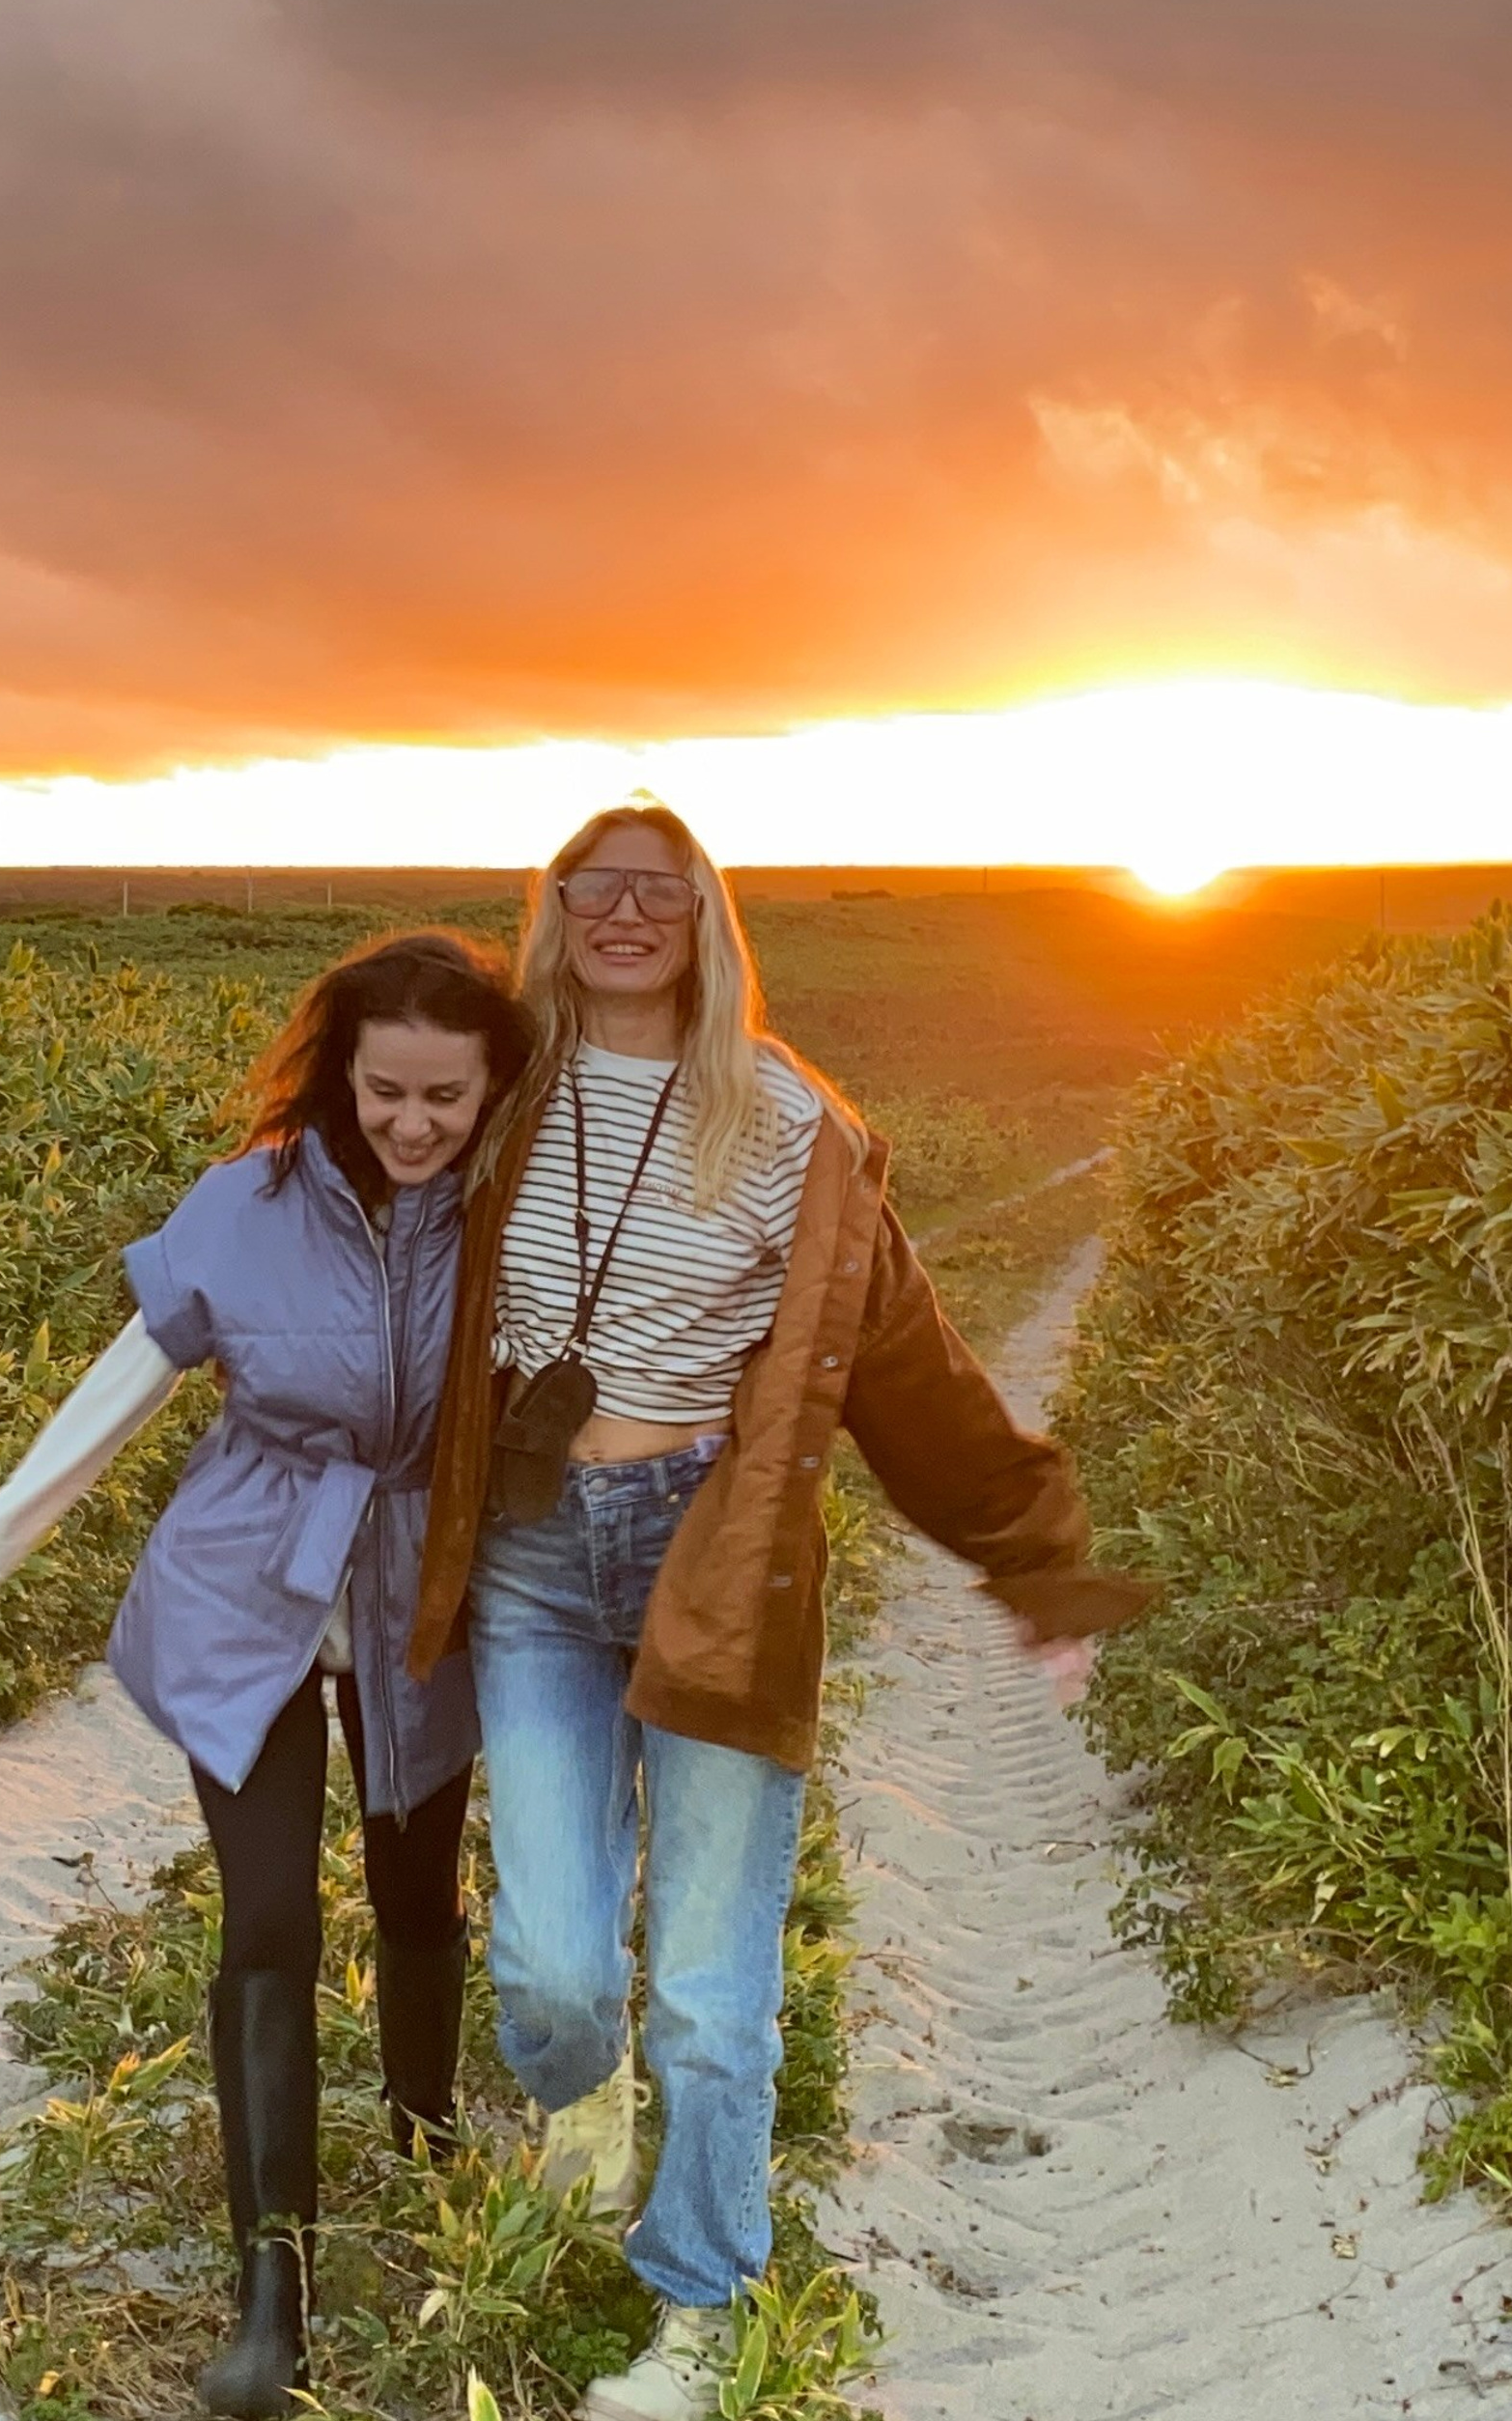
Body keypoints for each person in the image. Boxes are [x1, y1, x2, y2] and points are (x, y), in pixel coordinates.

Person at [407, 806, 1154, 2421]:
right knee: (550, 1969)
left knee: (707, 1980)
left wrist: (1031, 1558)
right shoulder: (502, 1089)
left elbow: (909, 1366)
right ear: (549, 913)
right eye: (588, 886)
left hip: (713, 1554)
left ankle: (701, 2308)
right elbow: (358, 1205)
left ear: (705, 914)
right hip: (534, 1557)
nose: (622, 912)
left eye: (654, 887)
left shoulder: (793, 1124)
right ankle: (579, 2106)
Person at [0, 930, 530, 2421]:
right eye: (383, 1088)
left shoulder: (517, 1209)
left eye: (442, 1099)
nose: (409, 1123)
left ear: (491, 1089)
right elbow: (138, 1367)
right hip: (249, 1576)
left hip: (422, 1585)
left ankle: (426, 2141)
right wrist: (9, 1521)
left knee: (415, 1885)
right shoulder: (246, 1204)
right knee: (265, 1913)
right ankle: (275, 2286)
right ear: (341, 1071)